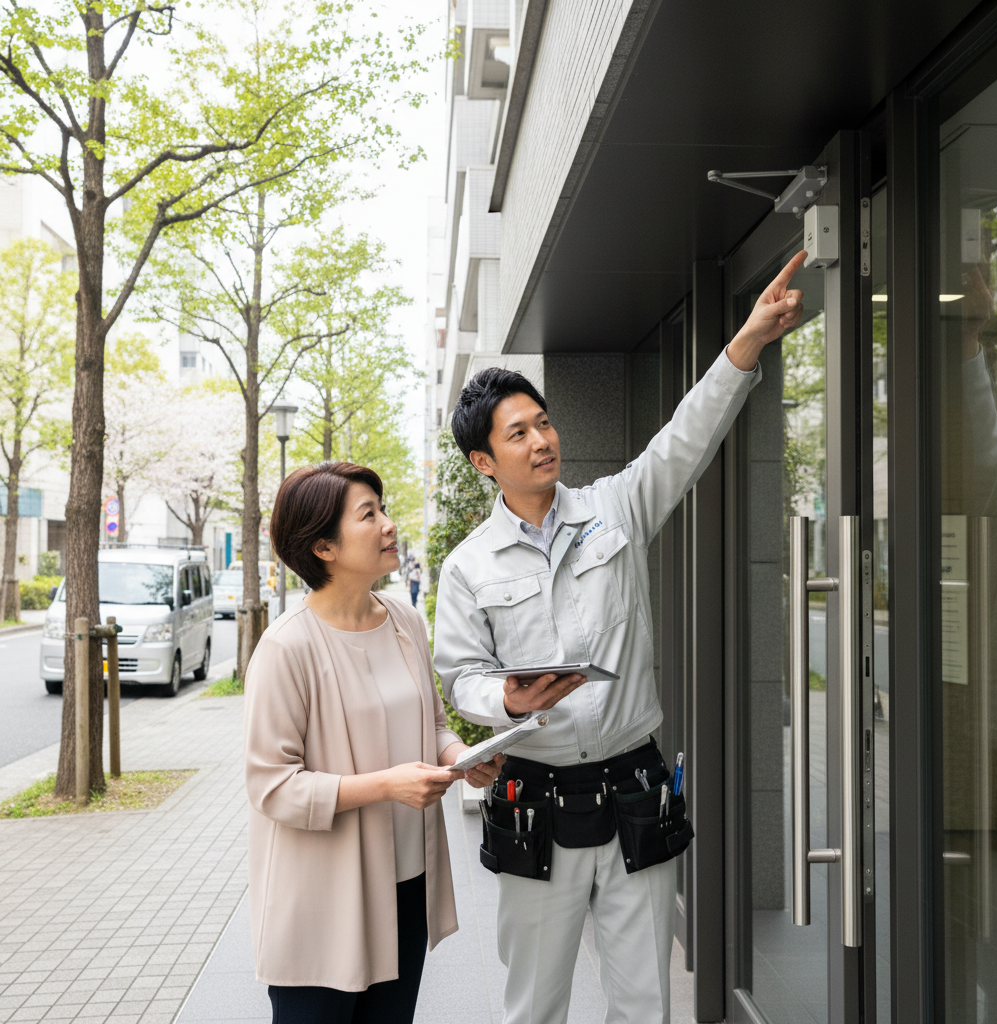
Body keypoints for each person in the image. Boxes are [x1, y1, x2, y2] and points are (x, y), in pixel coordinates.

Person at [433, 252, 807, 1023]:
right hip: (533, 803)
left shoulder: (616, 508)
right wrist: (504, 696)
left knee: (644, 1006)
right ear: (483, 461)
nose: (541, 440)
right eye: (518, 433)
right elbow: (459, 675)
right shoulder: (467, 566)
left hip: (635, 794)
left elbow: (684, 439)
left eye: (544, 422)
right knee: (533, 1005)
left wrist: (747, 342)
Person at [244, 460, 503, 1024]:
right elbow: (273, 787)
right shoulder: (286, 648)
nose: (388, 525)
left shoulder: (405, 620)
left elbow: (432, 724)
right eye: (369, 514)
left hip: (407, 880)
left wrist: (461, 758)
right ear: (323, 548)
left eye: (382, 510)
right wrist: (388, 785)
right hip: (324, 897)